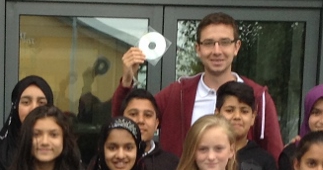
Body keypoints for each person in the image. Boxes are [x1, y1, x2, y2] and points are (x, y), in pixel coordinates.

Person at [111, 12, 285, 158]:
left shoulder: (258, 97)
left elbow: (275, 157)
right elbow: (126, 125)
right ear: (198, 49)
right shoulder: (177, 94)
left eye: (224, 42)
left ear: (236, 47)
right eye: (209, 43)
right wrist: (127, 81)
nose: (217, 51)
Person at [0, 75, 55, 170]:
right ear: (15, 106)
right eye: (26, 102)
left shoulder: (62, 152)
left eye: (41, 103)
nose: (33, 108)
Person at [217, 81, 277, 170]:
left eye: (244, 111)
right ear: (217, 114)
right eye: (229, 110)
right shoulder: (206, 154)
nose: (237, 116)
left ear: (253, 118)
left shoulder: (265, 160)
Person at [121, 88, 180, 170]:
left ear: (156, 123)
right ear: (122, 119)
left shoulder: (173, 165)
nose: (140, 120)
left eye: (147, 115)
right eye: (133, 114)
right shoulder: (108, 160)